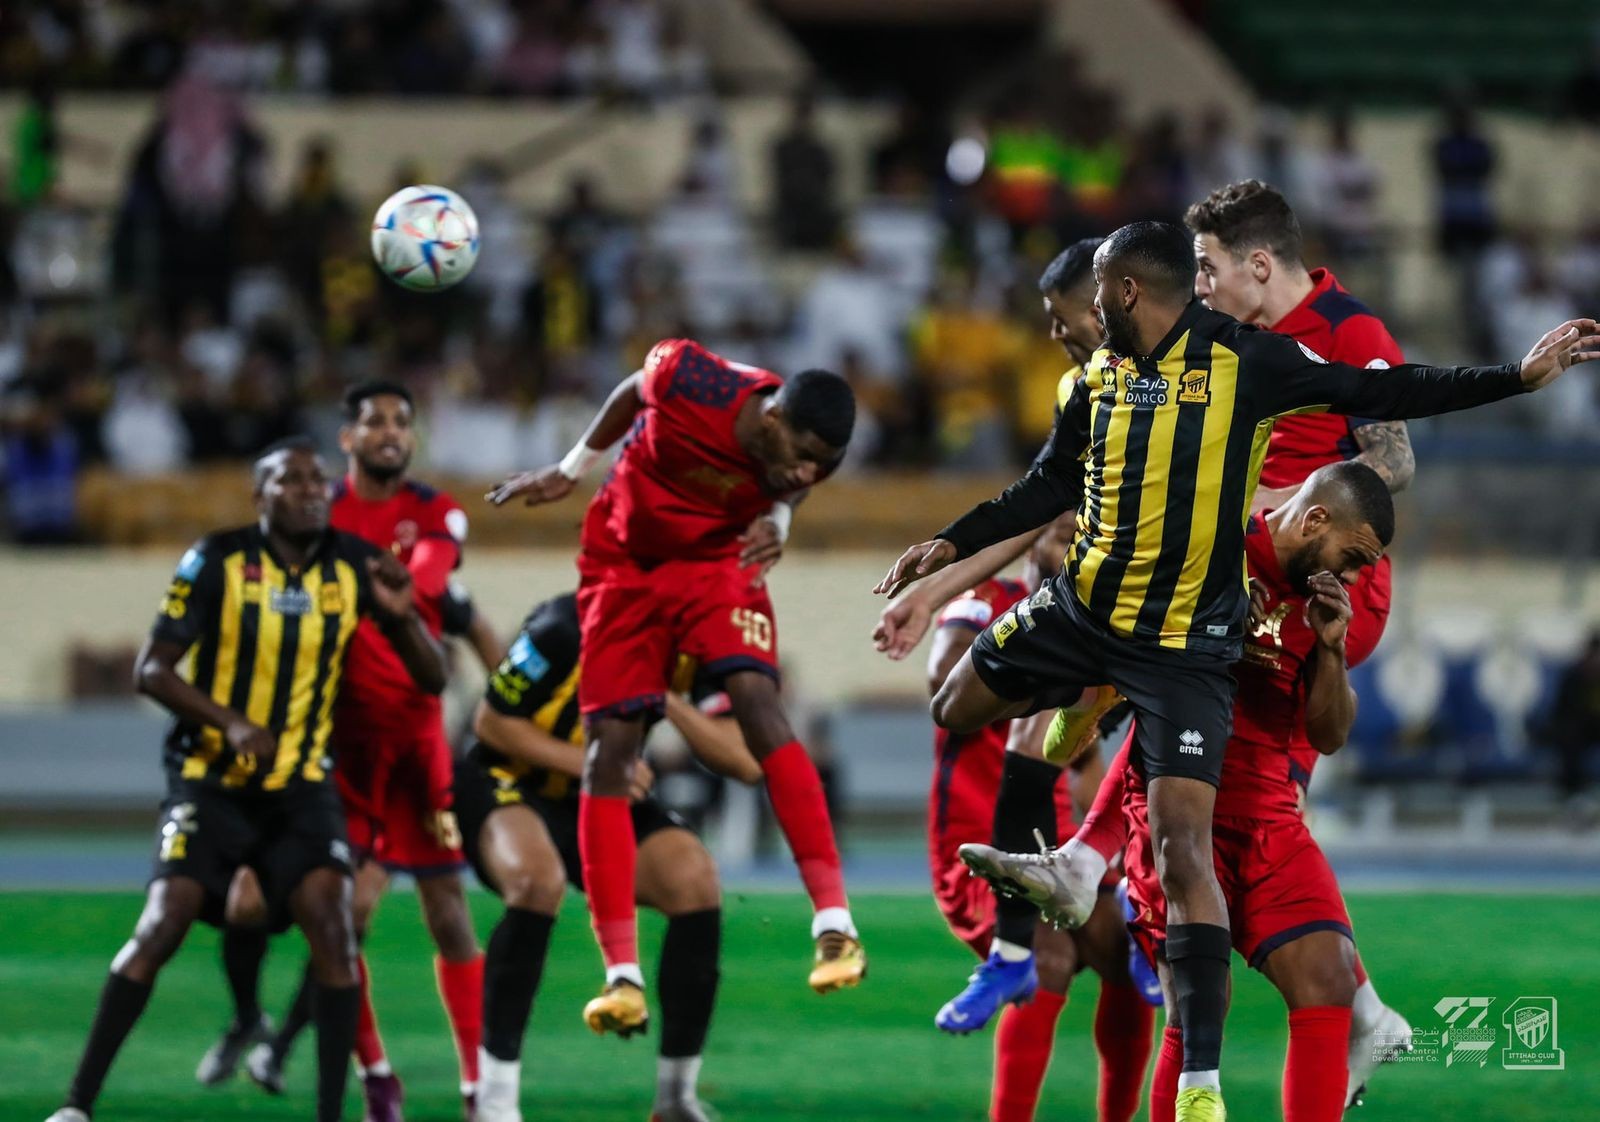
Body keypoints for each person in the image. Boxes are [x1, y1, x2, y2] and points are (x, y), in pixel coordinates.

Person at [877, 219, 1598, 1122]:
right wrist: (950, 543)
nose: (1091, 310)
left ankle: (1199, 1083)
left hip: (1180, 644)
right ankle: (1087, 728)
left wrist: (1514, 378)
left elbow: (1379, 385)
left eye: (1099, 293)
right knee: (955, 707)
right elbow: (1046, 486)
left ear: (1127, 291)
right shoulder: (1098, 379)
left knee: (1186, 854)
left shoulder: (1246, 362)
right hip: (1082, 610)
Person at [44, 439, 448, 1122]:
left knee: (334, 931)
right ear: (259, 495)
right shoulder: (217, 559)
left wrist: (403, 614)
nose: (311, 489)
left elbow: (431, 677)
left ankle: (328, 1112)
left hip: (301, 787)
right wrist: (229, 722)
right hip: (210, 782)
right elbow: (152, 670)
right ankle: (77, 1105)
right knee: (162, 922)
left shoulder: (354, 565)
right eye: (291, 480)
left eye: (317, 479)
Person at [489, 341, 866, 1037]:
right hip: (624, 564)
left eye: (822, 462)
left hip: (719, 561)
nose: (807, 471)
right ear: (772, 417)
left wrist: (779, 518)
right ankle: (622, 977)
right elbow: (633, 387)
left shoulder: (810, 450)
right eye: (802, 454)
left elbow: (799, 481)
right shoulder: (689, 378)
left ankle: (835, 923)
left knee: (759, 703)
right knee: (610, 751)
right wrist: (570, 469)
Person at [1185, 178, 1415, 1102]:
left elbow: (1394, 460)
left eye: (1208, 268)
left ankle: (1086, 856)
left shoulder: (1349, 331)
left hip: (1322, 574)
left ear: (1258, 264)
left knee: (1232, 778)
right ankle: (1359, 1008)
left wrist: (1285, 504)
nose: (1200, 286)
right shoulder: (1225, 343)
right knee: (1240, 780)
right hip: (1254, 564)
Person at [205, 381, 485, 1121]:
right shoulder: (315, 508)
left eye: (402, 421)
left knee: (449, 912)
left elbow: (421, 581)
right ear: (348, 438)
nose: (391, 431)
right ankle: (376, 1077)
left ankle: (480, 1084)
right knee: (342, 913)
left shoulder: (436, 512)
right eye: (375, 421)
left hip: (417, 742)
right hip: (336, 744)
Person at [1119, 462, 1393, 1122]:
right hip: (1177, 808)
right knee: (1198, 1005)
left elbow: (1328, 735)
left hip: (1269, 814)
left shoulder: (1325, 603)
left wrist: (1331, 652)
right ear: (1315, 519)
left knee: (1329, 974)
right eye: (1354, 558)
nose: (1356, 577)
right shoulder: (1216, 547)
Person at [458, 592, 762, 1122]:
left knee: (694, 879)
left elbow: (744, 760)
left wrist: (666, 698)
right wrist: (589, 763)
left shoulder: (703, 644)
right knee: (536, 880)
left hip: (604, 793)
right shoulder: (563, 624)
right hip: (512, 781)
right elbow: (492, 723)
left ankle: (675, 1098)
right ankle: (494, 1100)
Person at [926, 513, 1155, 1122]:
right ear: (1031, 540)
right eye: (1060, 532)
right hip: (976, 840)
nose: (1074, 543)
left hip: (1059, 841)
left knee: (1127, 956)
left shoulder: (1092, 629)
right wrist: (1047, 668)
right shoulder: (987, 598)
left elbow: (1087, 768)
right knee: (1045, 955)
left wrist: (1117, 858)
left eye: (1084, 535)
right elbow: (942, 675)